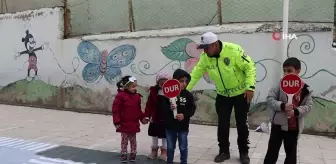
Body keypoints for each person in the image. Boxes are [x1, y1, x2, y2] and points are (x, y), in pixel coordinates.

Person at [186, 32, 256, 164]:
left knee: (242, 124)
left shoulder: (234, 50)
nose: (205, 51)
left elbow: (249, 67)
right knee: (223, 124)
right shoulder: (205, 57)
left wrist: (250, 87)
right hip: (223, 95)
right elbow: (195, 74)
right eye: (203, 49)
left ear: (215, 44)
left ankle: (243, 152)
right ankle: (224, 151)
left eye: (207, 48)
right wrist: (184, 92)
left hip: (241, 94)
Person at [263, 57, 313, 164]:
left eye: (289, 71)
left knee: (291, 155)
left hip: (293, 128)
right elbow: (269, 99)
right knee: (272, 152)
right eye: (284, 70)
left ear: (298, 71)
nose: (286, 73)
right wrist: (282, 106)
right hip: (278, 126)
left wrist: (296, 111)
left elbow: (309, 106)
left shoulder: (305, 89)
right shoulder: (280, 84)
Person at [164, 69, 196, 164]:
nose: (184, 83)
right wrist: (169, 107)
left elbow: (192, 109)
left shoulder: (188, 95)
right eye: (181, 81)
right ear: (175, 81)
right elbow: (163, 108)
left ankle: (184, 162)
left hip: (183, 127)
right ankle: (169, 162)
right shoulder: (167, 94)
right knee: (170, 147)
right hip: (170, 126)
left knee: (183, 147)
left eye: (186, 81)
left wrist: (184, 115)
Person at [112, 75, 146, 163]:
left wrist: (142, 118)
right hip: (123, 123)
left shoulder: (137, 97)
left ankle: (133, 153)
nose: (135, 88)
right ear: (126, 86)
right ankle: (124, 153)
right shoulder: (120, 96)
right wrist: (116, 121)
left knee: (133, 140)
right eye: (133, 86)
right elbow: (116, 110)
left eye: (136, 86)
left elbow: (138, 110)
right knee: (124, 140)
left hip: (133, 123)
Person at [143, 71, 171, 160]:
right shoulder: (154, 92)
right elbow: (149, 105)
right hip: (155, 117)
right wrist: (147, 116)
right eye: (161, 84)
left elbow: (174, 104)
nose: (163, 86)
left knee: (164, 135)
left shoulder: (171, 92)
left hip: (166, 118)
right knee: (154, 134)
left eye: (165, 84)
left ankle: (164, 151)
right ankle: (154, 150)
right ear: (157, 83)